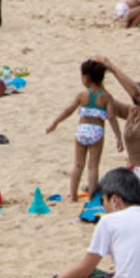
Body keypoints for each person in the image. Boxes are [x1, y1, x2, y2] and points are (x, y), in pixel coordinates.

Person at [46, 59, 115, 200]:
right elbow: (112, 118)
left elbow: (68, 110)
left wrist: (55, 122)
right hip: (97, 131)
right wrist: (118, 136)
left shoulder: (82, 95)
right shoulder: (106, 97)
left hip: (82, 130)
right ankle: (91, 196)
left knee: (78, 165)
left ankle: (73, 195)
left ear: (86, 78)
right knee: (93, 166)